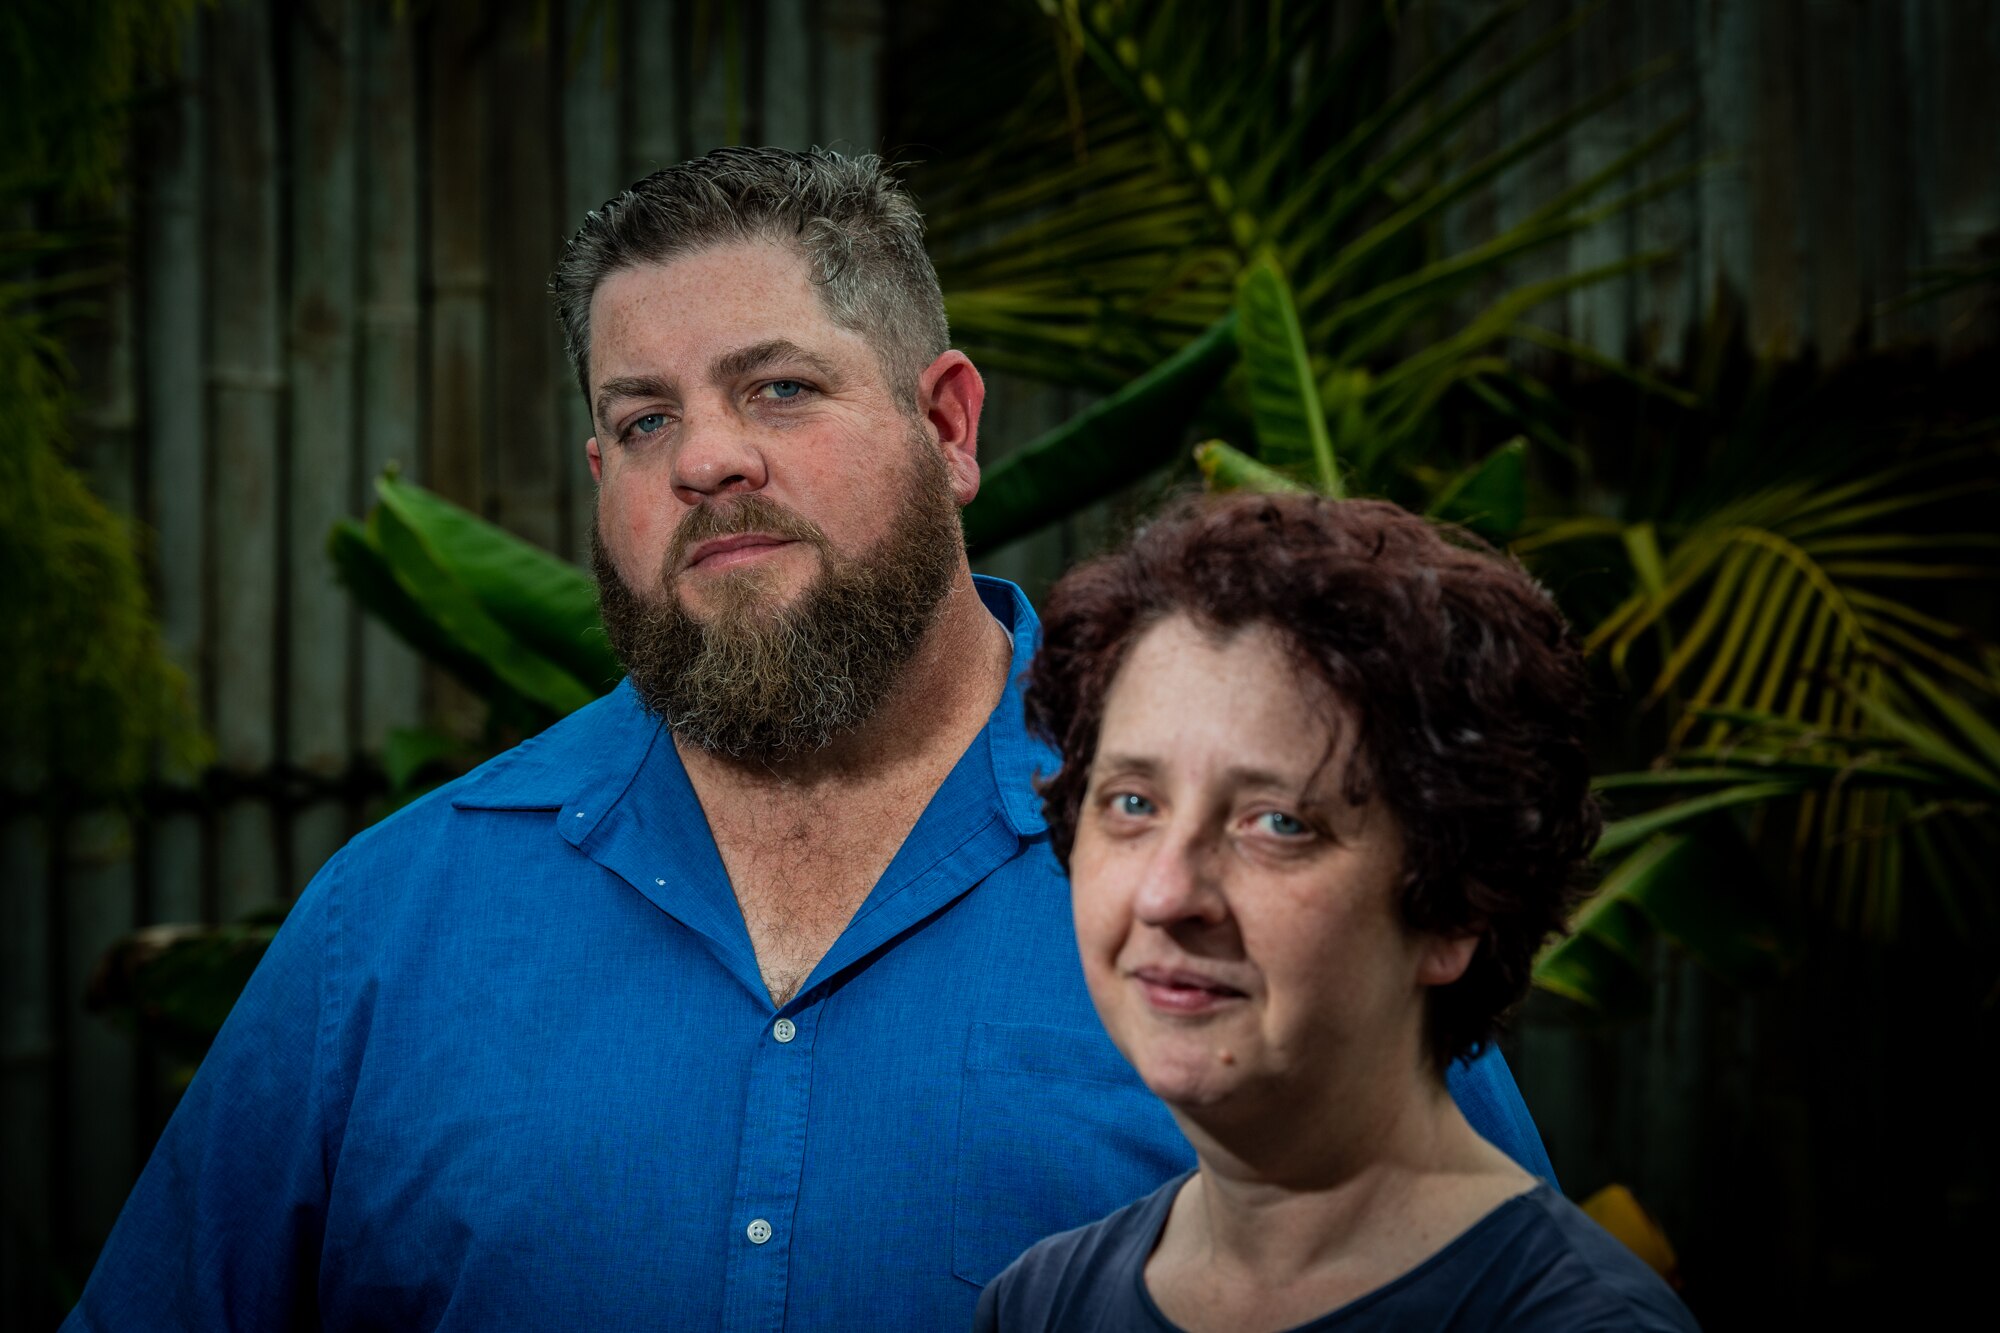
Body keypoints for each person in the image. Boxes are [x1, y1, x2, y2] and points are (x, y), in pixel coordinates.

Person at [65, 149, 1555, 1332]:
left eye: (777, 387)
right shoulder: (391, 927)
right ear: (601, 479)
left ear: (951, 425)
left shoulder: (1250, 879)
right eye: (641, 423)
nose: (705, 456)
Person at [979, 495, 1699, 1331]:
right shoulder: (1039, 1304)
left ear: (1456, 905)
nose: (1166, 894)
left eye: (1278, 823)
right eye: (1133, 802)